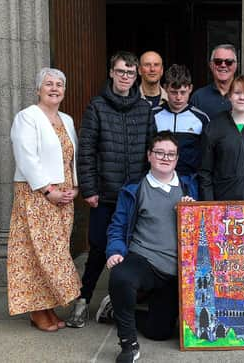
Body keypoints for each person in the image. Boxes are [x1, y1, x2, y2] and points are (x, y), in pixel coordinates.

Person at [67, 51, 157, 328]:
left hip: (134, 196)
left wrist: (147, 189)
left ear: (136, 76)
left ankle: (118, 304)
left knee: (134, 251)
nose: (125, 77)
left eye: (130, 73)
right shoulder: (97, 107)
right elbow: (86, 152)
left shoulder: (144, 109)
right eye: (121, 72)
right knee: (98, 249)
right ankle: (82, 300)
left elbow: (152, 149)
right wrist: (89, 189)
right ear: (111, 73)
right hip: (104, 194)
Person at [106, 132, 195, 362]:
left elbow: (212, 225)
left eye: (171, 154)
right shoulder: (135, 189)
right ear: (149, 155)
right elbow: (118, 225)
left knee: (160, 332)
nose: (165, 158)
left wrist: (193, 213)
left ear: (177, 159)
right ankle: (128, 344)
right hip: (144, 260)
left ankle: (117, 309)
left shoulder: (189, 188)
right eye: (159, 152)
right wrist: (115, 251)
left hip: (177, 271)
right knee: (120, 276)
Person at [7, 67, 80, 331]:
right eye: (48, 83)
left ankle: (48, 306)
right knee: (35, 252)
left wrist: (75, 186)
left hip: (63, 196)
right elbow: (26, 157)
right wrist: (48, 191)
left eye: (59, 84)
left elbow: (71, 157)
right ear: (38, 89)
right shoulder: (27, 117)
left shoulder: (67, 120)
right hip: (37, 194)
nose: (54, 88)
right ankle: (36, 309)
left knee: (56, 253)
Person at [153, 64, 209, 199]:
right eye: (173, 92)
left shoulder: (201, 118)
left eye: (183, 92)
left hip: (190, 181)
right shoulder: (153, 115)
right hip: (158, 180)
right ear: (165, 88)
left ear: (190, 88)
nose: (178, 97)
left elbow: (207, 155)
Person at [190, 43, 237, 119]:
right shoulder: (198, 97)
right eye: (218, 61)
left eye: (229, 62)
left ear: (235, 65)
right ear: (211, 65)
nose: (223, 65)